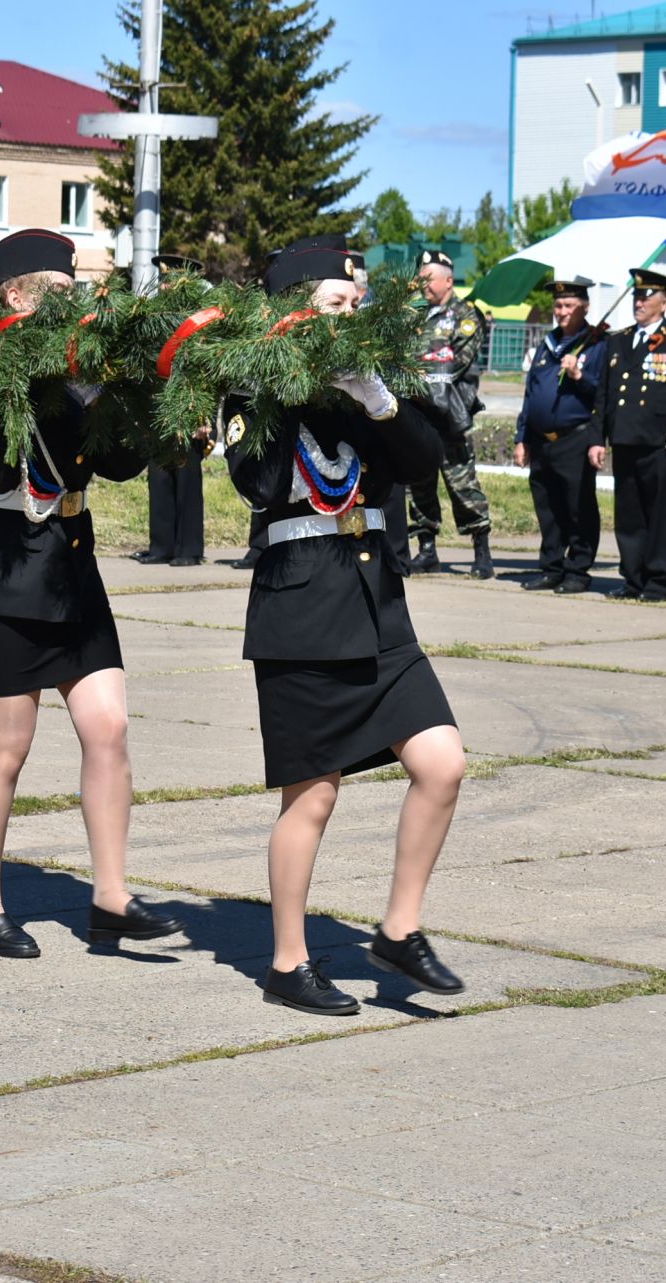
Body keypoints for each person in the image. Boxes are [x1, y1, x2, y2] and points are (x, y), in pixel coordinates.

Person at [224, 234, 468, 1016]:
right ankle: (288, 962)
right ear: (296, 304)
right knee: (313, 795)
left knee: (443, 763)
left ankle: (399, 929)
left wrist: (376, 398)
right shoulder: (250, 381)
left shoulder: (372, 377)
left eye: (355, 299)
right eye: (337, 299)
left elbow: (425, 460)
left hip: (376, 599)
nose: (351, 309)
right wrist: (290, 389)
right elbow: (259, 483)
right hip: (300, 604)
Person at [0, 228, 184, 959]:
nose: (73, 297)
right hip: (8, 570)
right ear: (14, 294)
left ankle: (111, 897)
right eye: (57, 286)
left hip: (74, 564)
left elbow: (114, 463)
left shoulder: (81, 361)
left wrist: (134, 392)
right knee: (7, 749)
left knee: (108, 727)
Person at [596, 267, 666, 601]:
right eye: (637, 296)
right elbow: (603, 396)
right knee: (629, 515)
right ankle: (633, 579)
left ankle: (659, 582)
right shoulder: (618, 340)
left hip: (662, 442)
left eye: (647, 297)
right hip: (625, 438)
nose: (639, 302)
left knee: (660, 515)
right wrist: (596, 439)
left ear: (664, 302)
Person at [406, 249, 494, 579]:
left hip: (450, 415)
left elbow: (455, 363)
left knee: (462, 483)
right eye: (420, 278)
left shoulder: (466, 316)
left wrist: (418, 369)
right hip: (417, 414)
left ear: (448, 280)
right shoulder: (414, 317)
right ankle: (426, 550)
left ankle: (481, 551)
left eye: (428, 279)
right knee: (419, 484)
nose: (422, 284)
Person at [513, 279, 605, 594]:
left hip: (575, 438)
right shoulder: (548, 343)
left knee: (578, 508)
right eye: (558, 306)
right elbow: (531, 393)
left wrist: (580, 375)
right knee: (548, 508)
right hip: (541, 439)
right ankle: (551, 567)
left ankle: (578, 569)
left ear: (585, 307)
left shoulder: (596, 343)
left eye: (568, 306)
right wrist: (521, 437)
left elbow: (602, 394)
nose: (561, 312)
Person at [132, 254, 211, 567]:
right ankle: (161, 545)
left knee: (187, 479)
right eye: (164, 280)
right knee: (159, 479)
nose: (167, 285)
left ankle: (189, 549)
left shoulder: (198, 320)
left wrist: (203, 416)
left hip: (189, 407)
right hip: (158, 408)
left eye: (173, 280)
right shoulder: (154, 319)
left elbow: (206, 372)